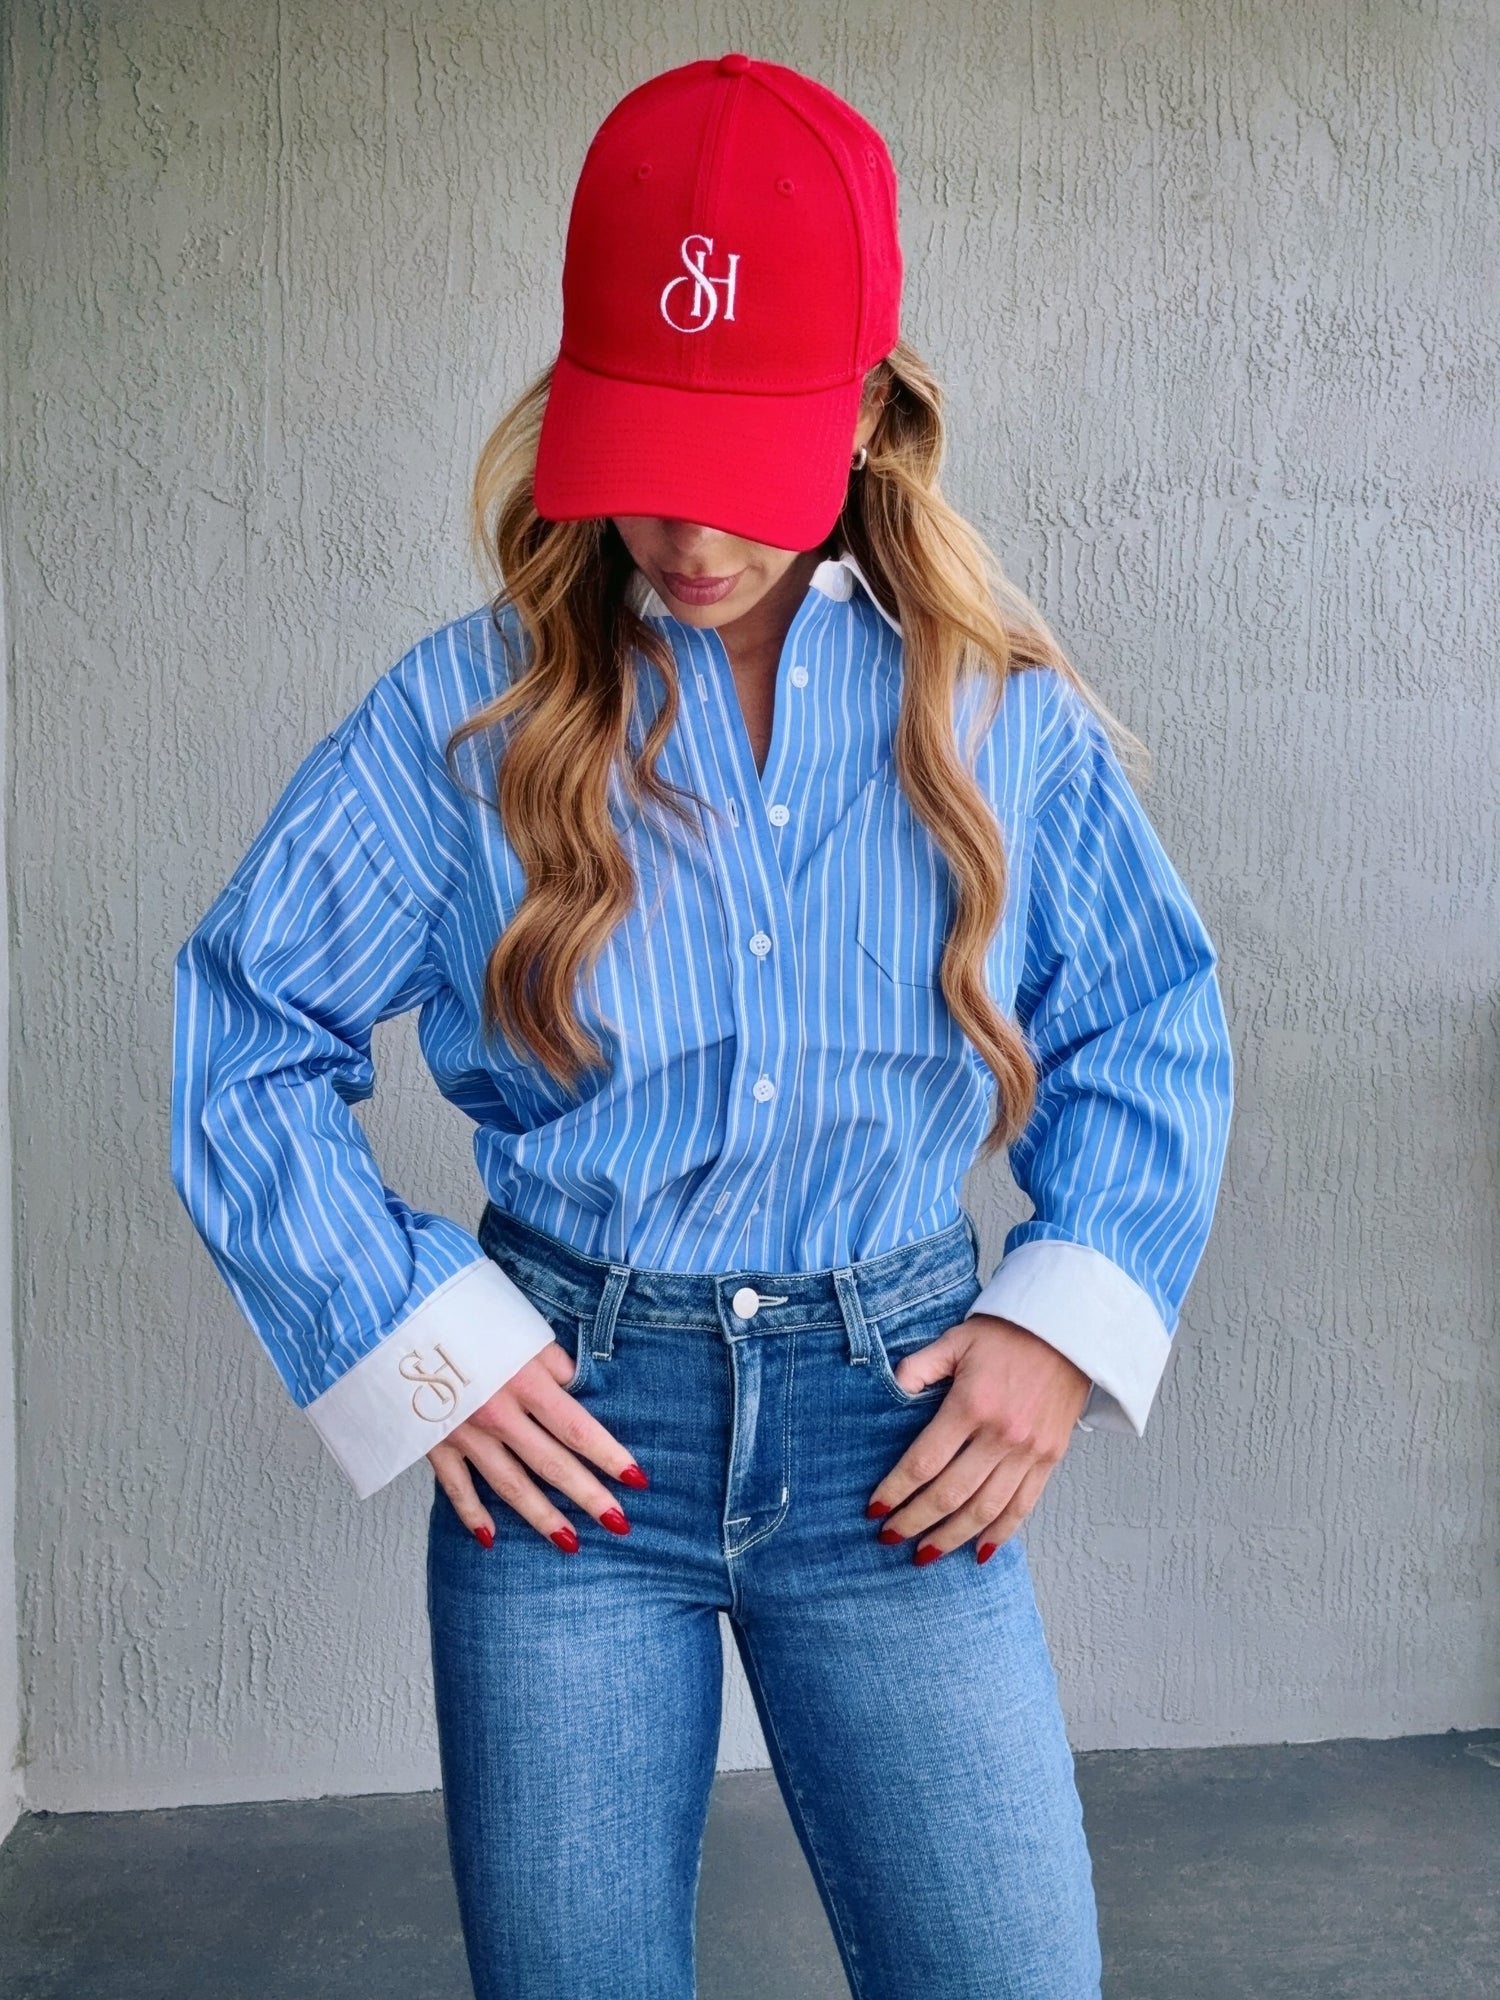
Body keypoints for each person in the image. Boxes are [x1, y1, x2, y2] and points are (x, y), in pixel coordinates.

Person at [170, 51, 1233, 2000]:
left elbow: (1150, 1018)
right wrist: (419, 1348)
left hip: (895, 1424)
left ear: (873, 409)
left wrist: (1066, 1323)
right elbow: (244, 1033)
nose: (683, 527)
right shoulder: (466, 720)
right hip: (575, 1440)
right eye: (642, 445)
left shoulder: (998, 715)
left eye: (742, 457)